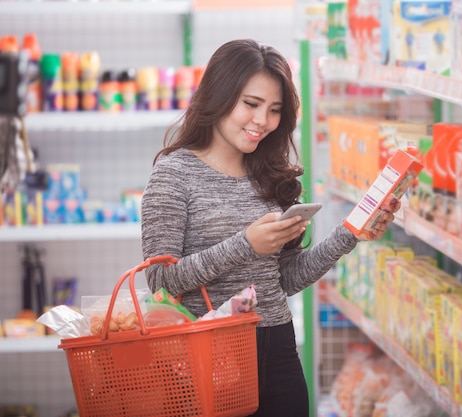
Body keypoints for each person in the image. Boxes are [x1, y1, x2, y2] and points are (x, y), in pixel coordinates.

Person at [140, 38, 399, 417]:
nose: (263, 121)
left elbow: (284, 280)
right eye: (251, 104)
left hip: (276, 348)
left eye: (275, 109)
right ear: (218, 95)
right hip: (203, 352)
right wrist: (245, 244)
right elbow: (160, 281)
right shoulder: (173, 174)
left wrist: (350, 234)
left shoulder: (268, 176)